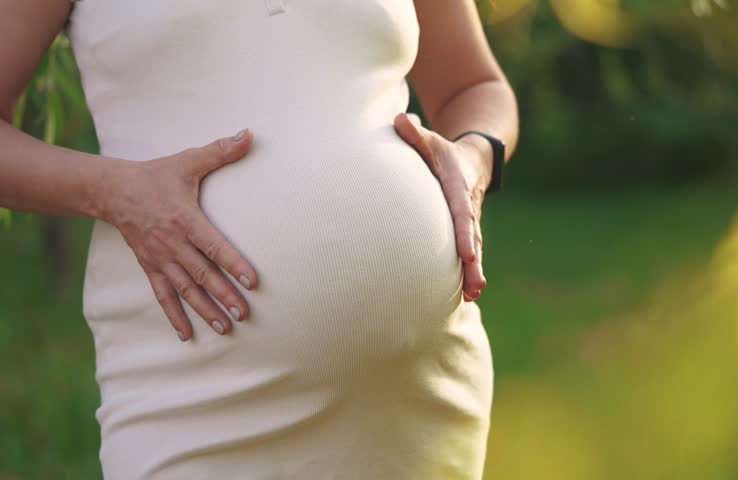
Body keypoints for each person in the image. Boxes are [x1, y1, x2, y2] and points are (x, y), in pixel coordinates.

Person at [0, 0, 519, 478]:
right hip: (195, 394)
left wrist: (474, 158)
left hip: (418, 392)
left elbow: (474, 88)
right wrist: (117, 194)